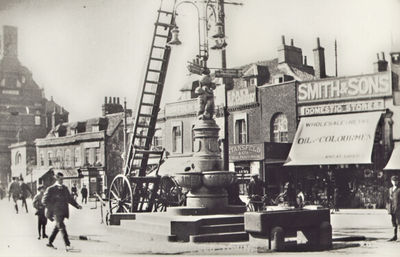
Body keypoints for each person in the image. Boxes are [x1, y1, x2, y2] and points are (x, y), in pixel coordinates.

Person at [42, 172, 82, 251]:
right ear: (56, 179)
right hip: (56, 212)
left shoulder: (65, 188)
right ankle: (67, 245)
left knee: (58, 227)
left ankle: (50, 242)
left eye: (62, 179)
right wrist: (52, 209)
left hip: (63, 212)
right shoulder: (51, 189)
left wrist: (77, 205)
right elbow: (44, 201)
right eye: (60, 179)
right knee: (62, 227)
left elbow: (69, 199)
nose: (62, 180)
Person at [388, 175, 400, 241]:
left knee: (399, 223)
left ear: (398, 182)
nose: (394, 182)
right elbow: (389, 199)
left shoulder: (399, 189)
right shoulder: (390, 189)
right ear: (391, 181)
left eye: (396, 181)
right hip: (392, 208)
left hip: (398, 209)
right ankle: (395, 236)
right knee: (393, 222)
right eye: (393, 181)